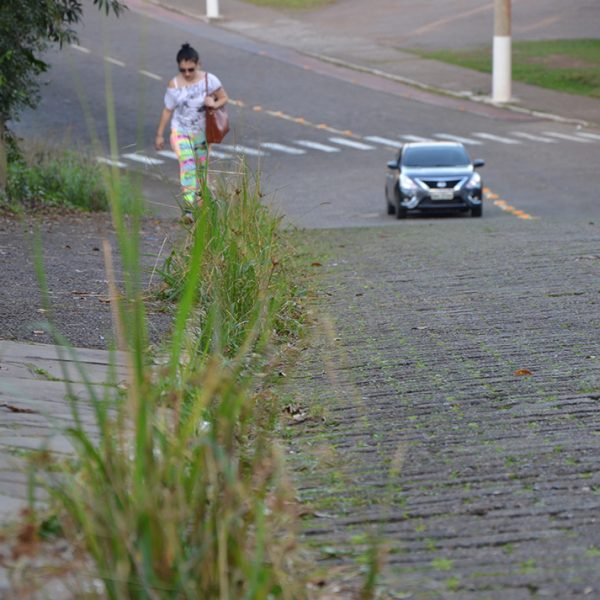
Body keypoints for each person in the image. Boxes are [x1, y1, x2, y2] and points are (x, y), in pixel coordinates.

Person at [155, 43, 228, 218]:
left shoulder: (210, 80)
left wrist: (214, 103)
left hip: (202, 134)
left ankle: (203, 209)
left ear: (198, 64)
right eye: (183, 70)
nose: (187, 73)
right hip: (180, 131)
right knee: (188, 165)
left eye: (191, 69)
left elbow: (224, 98)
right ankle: (188, 208)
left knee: (202, 170)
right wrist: (159, 134)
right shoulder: (174, 85)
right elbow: (167, 110)